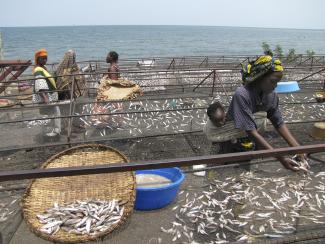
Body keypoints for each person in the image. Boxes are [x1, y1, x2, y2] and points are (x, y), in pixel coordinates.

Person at [226, 55, 306, 171]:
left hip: (250, 138)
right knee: (229, 165)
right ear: (260, 77)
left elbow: (278, 122)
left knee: (247, 163)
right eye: (273, 81)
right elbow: (251, 132)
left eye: (277, 82)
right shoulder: (242, 94)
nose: (275, 86)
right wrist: (281, 159)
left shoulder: (270, 95)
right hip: (232, 136)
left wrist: (297, 149)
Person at [32, 49, 61, 136]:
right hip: (46, 96)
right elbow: (40, 84)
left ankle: (52, 130)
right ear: (38, 59)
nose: (45, 60)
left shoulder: (43, 68)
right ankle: (55, 131)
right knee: (55, 112)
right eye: (42, 58)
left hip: (50, 95)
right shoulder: (38, 70)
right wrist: (45, 98)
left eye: (46, 58)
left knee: (51, 113)